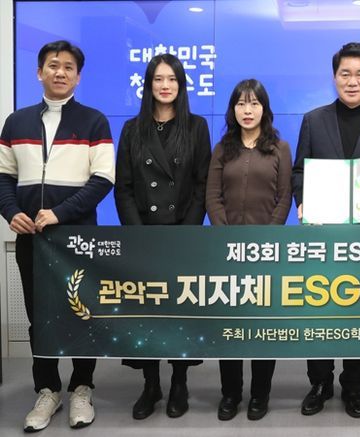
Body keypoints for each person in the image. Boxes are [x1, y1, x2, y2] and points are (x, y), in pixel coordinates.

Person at [0, 40, 115, 431]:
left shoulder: (94, 121)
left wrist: (60, 213)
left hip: (78, 237)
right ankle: (47, 390)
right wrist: (12, 212)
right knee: (40, 317)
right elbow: (4, 177)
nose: (60, 72)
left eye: (68, 67)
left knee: (82, 313)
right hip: (32, 238)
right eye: (53, 65)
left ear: (78, 77)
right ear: (39, 72)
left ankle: (82, 388)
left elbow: (103, 179)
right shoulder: (16, 122)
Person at [291, 42, 360, 418]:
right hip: (324, 233)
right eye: (345, 74)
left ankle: (353, 385)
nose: (352, 81)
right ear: (334, 76)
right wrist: (303, 203)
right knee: (319, 310)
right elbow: (299, 170)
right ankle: (319, 383)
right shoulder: (313, 119)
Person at [114, 53, 211, 420]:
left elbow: (202, 185)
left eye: (172, 79)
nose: (165, 85)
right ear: (148, 84)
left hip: (182, 235)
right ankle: (151, 384)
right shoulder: (132, 129)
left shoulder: (197, 126)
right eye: (158, 79)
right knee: (147, 312)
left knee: (179, 313)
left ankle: (179, 382)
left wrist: (186, 233)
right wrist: (139, 236)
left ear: (181, 85)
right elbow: (123, 188)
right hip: (144, 235)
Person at [205, 78, 292, 422]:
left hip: (266, 253)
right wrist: (226, 238)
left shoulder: (280, 148)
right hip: (227, 253)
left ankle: (260, 393)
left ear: (264, 109)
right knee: (231, 326)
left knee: (262, 326)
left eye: (254, 103)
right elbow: (213, 196)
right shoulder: (222, 148)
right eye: (241, 103)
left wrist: (266, 240)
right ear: (233, 109)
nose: (247, 110)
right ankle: (230, 393)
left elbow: (284, 197)